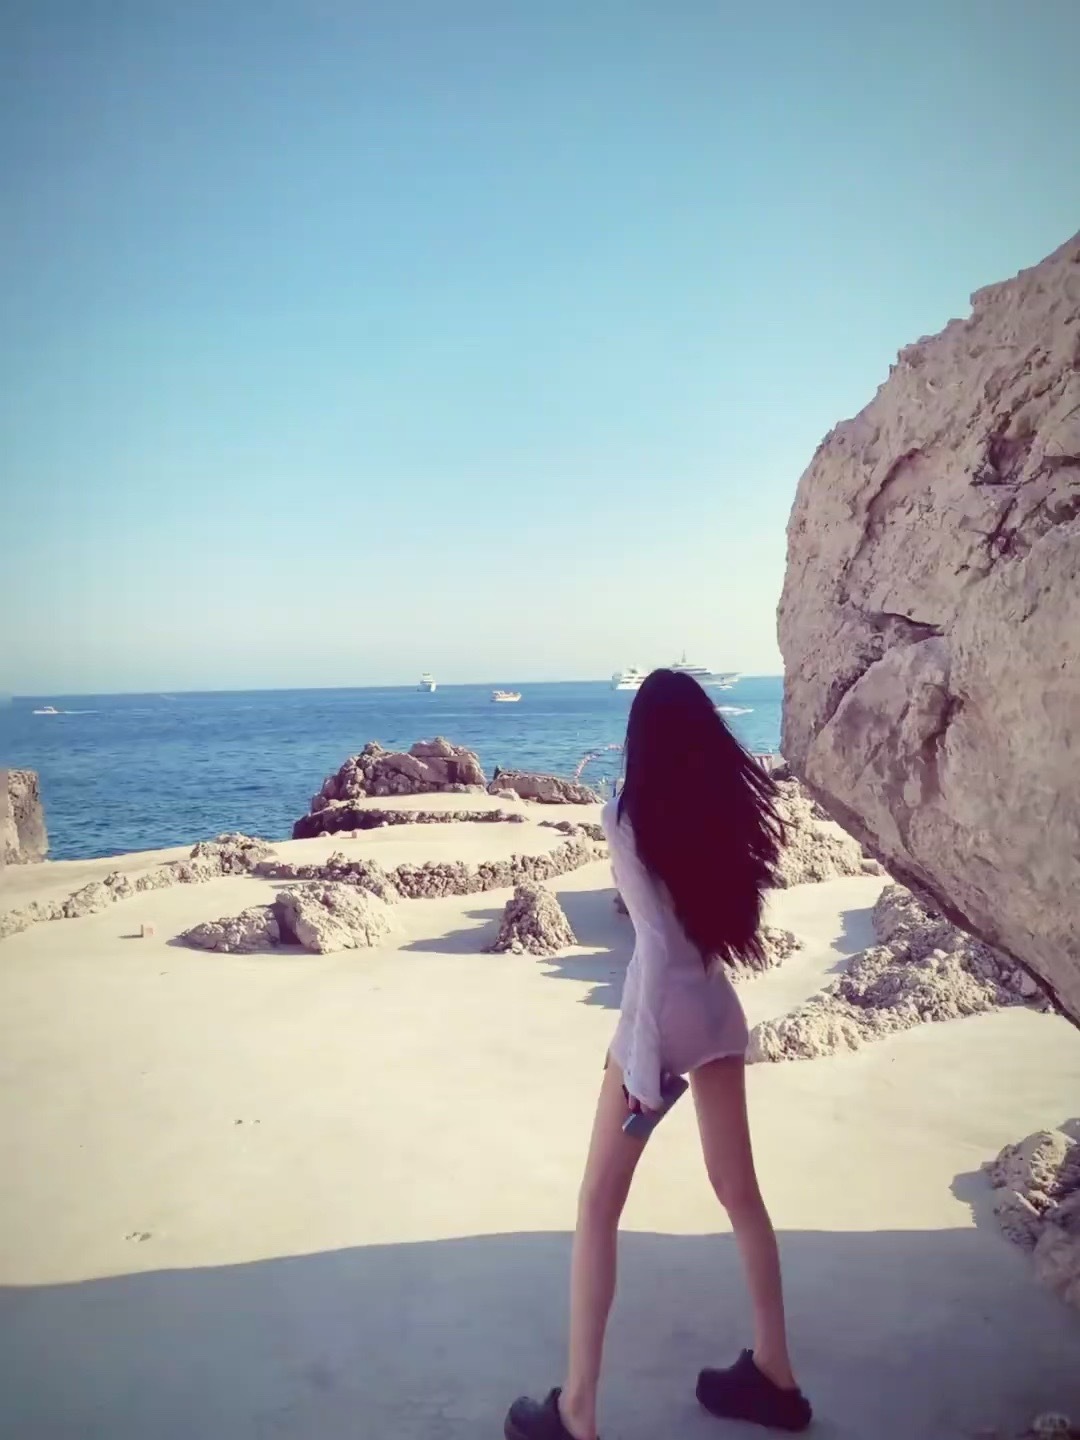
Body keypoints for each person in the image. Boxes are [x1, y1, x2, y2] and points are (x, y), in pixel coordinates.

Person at [505, 669, 812, 1439]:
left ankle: (577, 1410)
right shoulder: (723, 812)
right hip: (715, 1008)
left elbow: (652, 945)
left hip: (659, 1018)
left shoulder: (625, 817)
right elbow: (692, 940)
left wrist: (642, 1070)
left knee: (597, 1205)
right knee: (740, 1194)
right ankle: (776, 1374)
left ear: (640, 741)